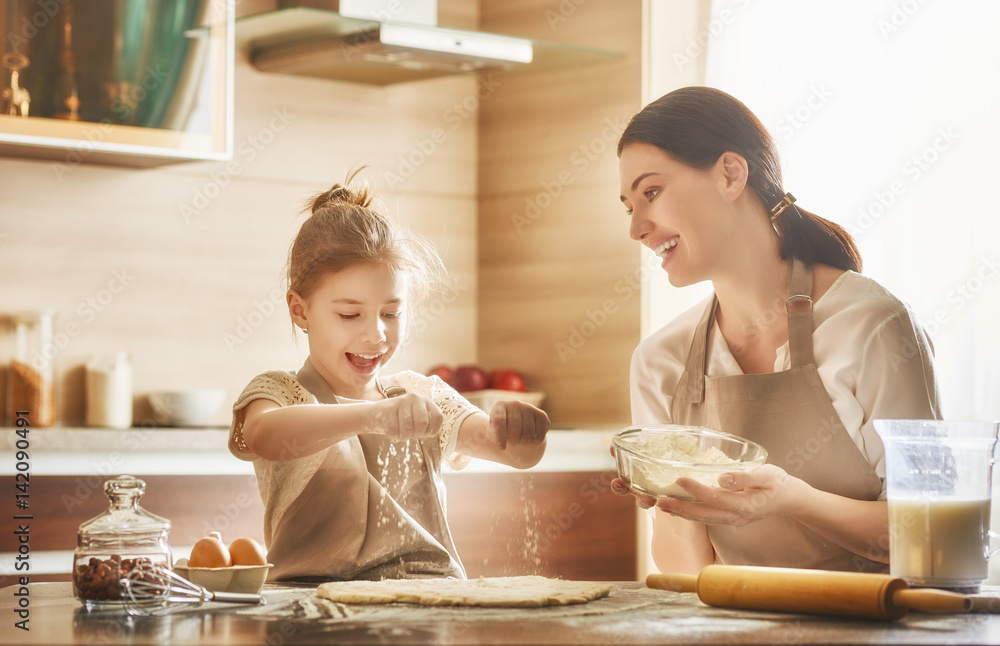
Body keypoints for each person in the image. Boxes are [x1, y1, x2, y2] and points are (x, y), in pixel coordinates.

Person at [613, 87, 940, 575]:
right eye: (628, 207)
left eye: (651, 193)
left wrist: (793, 499)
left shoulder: (873, 327)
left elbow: (931, 537)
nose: (637, 228)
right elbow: (685, 572)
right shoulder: (661, 361)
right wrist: (669, 496)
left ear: (730, 174)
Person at [228, 170, 550, 582]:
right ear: (300, 309)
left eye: (391, 314)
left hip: (429, 604)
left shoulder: (422, 394)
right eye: (349, 314)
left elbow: (512, 452)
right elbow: (265, 436)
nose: (376, 334)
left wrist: (523, 433)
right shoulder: (278, 392)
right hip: (310, 609)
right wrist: (373, 416)